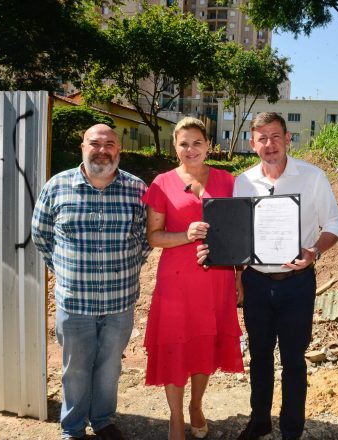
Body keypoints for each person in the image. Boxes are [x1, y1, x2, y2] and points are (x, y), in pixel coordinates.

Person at [198, 112, 338, 440]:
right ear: (253, 143)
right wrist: (235, 272)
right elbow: (236, 236)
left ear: (288, 138)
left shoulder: (312, 176)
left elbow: (335, 223)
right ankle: (260, 420)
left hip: (297, 284)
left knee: (294, 360)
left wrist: (314, 252)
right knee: (260, 357)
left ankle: (292, 428)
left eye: (276, 136)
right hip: (257, 283)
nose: (270, 144)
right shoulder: (244, 182)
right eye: (262, 138)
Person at [32, 124, 150, 440]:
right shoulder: (57, 186)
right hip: (75, 303)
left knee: (110, 369)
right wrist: (62, 269)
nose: (102, 149)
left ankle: (102, 421)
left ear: (119, 150)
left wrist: (127, 267)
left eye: (109, 143)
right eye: (94, 143)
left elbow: (146, 237)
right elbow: (40, 233)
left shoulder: (137, 189)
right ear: (82, 146)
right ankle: (72, 429)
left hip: (119, 303)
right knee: (75, 370)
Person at [142, 117, 243, 440]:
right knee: (174, 347)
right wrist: (186, 235)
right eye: (183, 143)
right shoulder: (161, 183)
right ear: (175, 147)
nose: (190, 149)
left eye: (197, 142)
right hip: (176, 282)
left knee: (204, 345)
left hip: (217, 279)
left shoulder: (229, 181)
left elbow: (239, 233)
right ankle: (175, 418)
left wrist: (239, 274)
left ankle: (196, 406)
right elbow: (154, 237)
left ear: (208, 145)